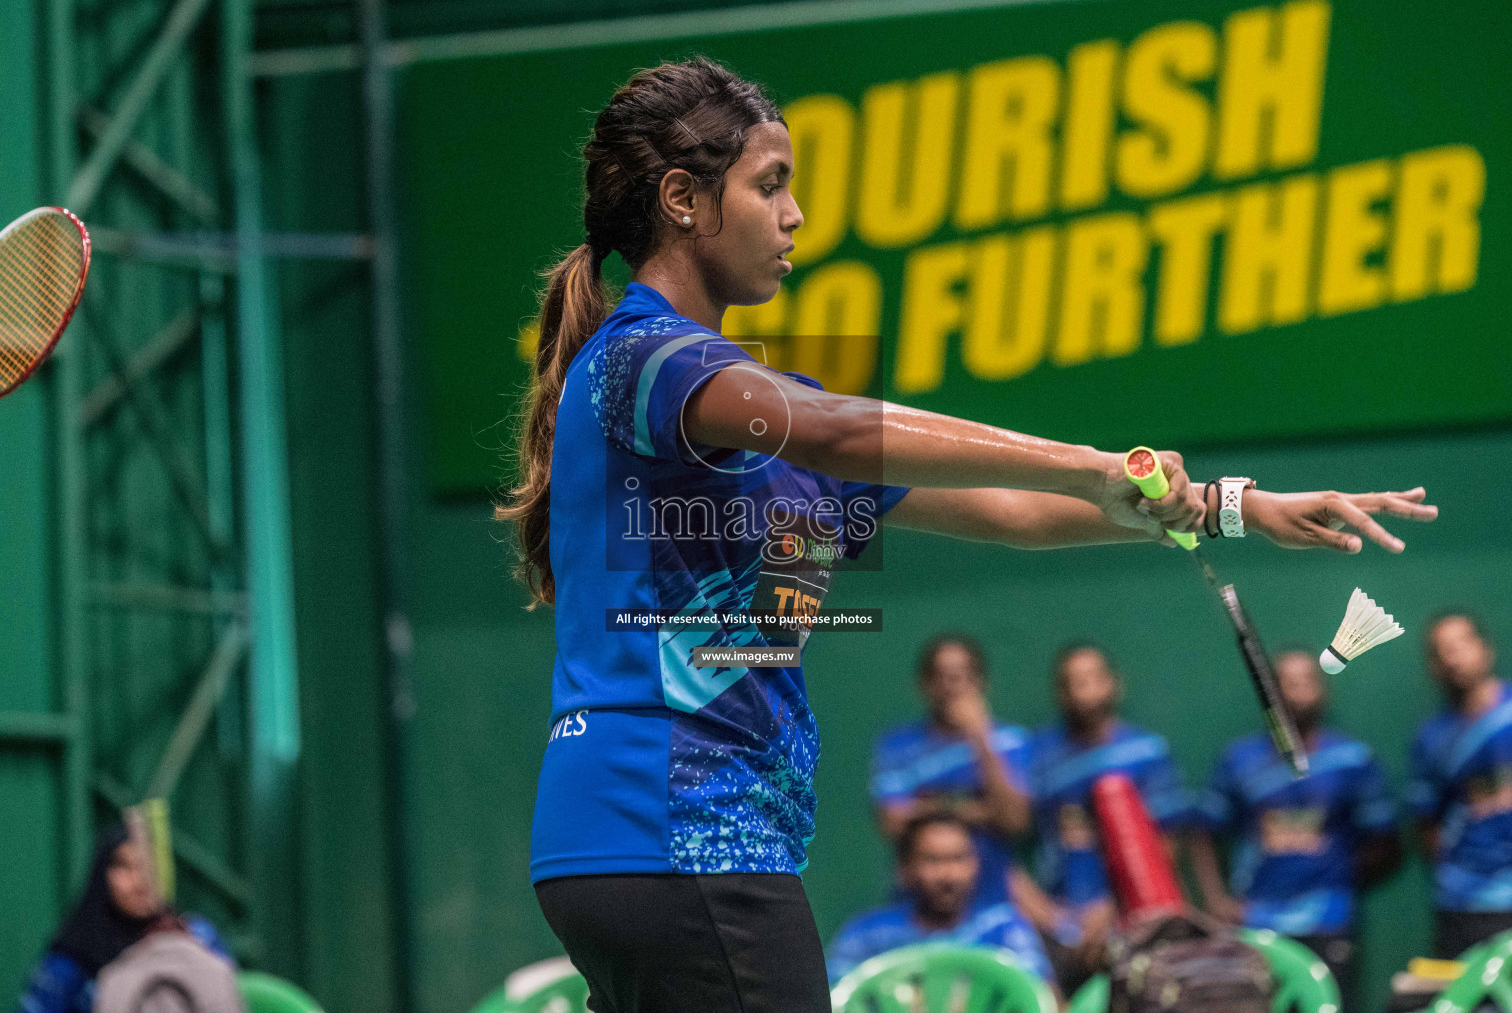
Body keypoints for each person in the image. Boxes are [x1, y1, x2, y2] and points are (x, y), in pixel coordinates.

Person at [501, 55, 1437, 1013]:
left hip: (648, 838)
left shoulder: (756, 418)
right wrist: (1090, 462)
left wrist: (1235, 505)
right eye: (769, 185)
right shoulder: (645, 357)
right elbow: (828, 428)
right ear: (683, 201)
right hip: (671, 822)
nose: (795, 216)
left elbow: (1014, 513)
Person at [1188, 649, 1401, 1003]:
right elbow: (1202, 833)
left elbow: (1386, 842)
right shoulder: (1238, 760)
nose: (1298, 690)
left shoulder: (1352, 759)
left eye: (1307, 681)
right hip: (1255, 925)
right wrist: (1216, 900)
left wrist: (1333, 874)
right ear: (1269, 691)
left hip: (1329, 923)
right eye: (1287, 682)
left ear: (1324, 690)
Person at [1019, 644, 1195, 992]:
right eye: (1072, 682)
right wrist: (1051, 918)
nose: (1084, 691)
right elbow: (1005, 841)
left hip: (1135, 917)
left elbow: (1166, 848)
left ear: (1114, 684)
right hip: (1055, 923)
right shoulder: (1035, 755)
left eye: (1093, 679)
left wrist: (1113, 909)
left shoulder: (1147, 752)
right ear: (1060, 692)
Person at [871, 634, 1031, 904]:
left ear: (981, 681)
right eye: (942, 676)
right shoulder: (897, 746)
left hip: (994, 901)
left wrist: (980, 736)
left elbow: (1013, 820)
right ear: (924, 683)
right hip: (918, 904)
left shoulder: (1009, 741)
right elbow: (893, 821)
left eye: (962, 675)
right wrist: (978, 809)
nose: (952, 685)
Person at [826, 813, 1054, 989]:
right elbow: (833, 998)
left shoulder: (1005, 930)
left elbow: (1040, 999)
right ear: (905, 869)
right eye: (932, 860)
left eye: (958, 858)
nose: (948, 875)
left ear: (976, 864)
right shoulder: (867, 936)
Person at [20, 824, 231, 1013]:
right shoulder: (71, 961)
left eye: (148, 865)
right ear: (102, 876)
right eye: (125, 866)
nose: (140, 880)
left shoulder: (198, 936)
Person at [1409, 610, 1512, 958]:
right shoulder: (1431, 738)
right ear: (1433, 667)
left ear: (1486, 649)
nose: (1453, 658)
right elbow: (1426, 826)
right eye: (1441, 651)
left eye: (1461, 645)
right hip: (1465, 905)